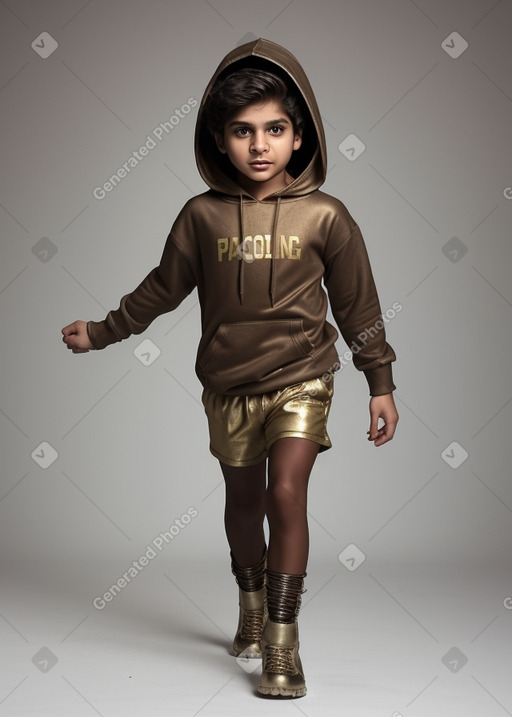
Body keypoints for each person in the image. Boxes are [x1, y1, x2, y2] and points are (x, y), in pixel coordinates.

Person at [62, 38, 398, 698]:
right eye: (243, 131)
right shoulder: (200, 216)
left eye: (275, 128)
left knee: (285, 493)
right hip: (228, 388)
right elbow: (160, 288)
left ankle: (282, 642)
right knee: (244, 506)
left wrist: (379, 383)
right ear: (220, 140)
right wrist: (103, 330)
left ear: (300, 137)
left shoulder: (328, 217)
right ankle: (249, 599)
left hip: (304, 377)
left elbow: (361, 306)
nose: (260, 145)